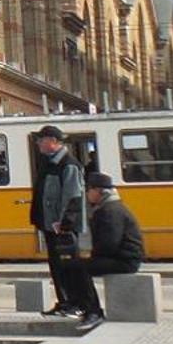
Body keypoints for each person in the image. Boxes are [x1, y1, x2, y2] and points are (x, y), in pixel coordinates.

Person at [73, 172, 144, 330]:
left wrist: (91, 258)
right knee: (75, 266)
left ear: (99, 191)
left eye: (89, 190)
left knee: (77, 269)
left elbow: (109, 243)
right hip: (121, 257)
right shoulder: (108, 207)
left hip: (125, 261)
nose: (87, 194)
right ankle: (86, 308)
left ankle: (93, 312)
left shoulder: (111, 211)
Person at [31, 126, 89, 318]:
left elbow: (73, 197)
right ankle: (64, 302)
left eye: (41, 139)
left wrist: (64, 223)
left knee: (68, 266)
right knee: (57, 267)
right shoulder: (50, 163)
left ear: (53, 141)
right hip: (50, 225)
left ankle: (76, 304)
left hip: (62, 228)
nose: (38, 143)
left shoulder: (68, 164)